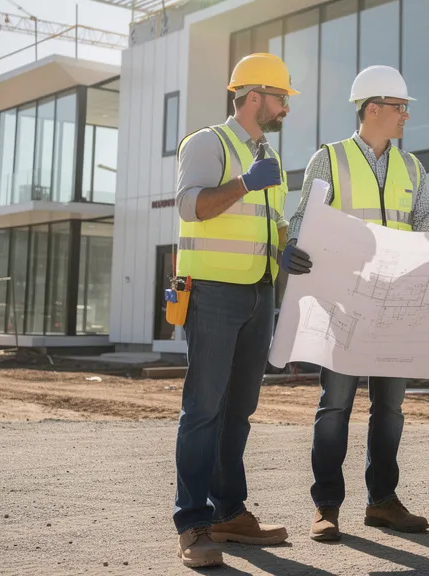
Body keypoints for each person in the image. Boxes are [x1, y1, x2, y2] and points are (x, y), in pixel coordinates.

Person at [282, 65, 429, 541]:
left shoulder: (412, 167)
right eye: (401, 108)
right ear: (373, 110)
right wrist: (293, 244)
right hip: (344, 305)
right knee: (335, 405)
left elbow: (425, 229)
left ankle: (382, 502)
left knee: (390, 408)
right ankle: (327, 506)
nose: (406, 117)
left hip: (396, 306)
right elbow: (302, 219)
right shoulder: (328, 160)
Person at [170, 52, 297, 568]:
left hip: (258, 290)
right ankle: (193, 524)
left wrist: (290, 247)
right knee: (204, 409)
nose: (285, 106)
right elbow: (190, 206)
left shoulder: (269, 154)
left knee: (239, 409)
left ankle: (230, 511)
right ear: (253, 96)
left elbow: (270, 225)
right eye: (281, 97)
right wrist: (245, 182)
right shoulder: (208, 143)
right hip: (213, 292)